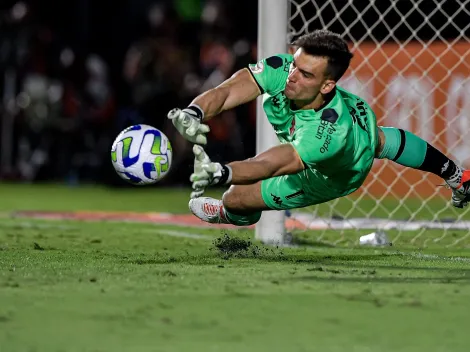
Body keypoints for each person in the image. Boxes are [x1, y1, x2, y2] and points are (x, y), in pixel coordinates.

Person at [167, 29, 470, 226]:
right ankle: (457, 175)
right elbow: (232, 88)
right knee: (379, 140)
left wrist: (223, 172)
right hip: (354, 123)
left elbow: (274, 164)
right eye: (295, 66)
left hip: (332, 173)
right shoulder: (285, 69)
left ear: (327, 85)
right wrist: (195, 111)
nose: (293, 77)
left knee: (237, 197)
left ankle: (230, 213)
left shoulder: (325, 137)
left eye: (306, 74)